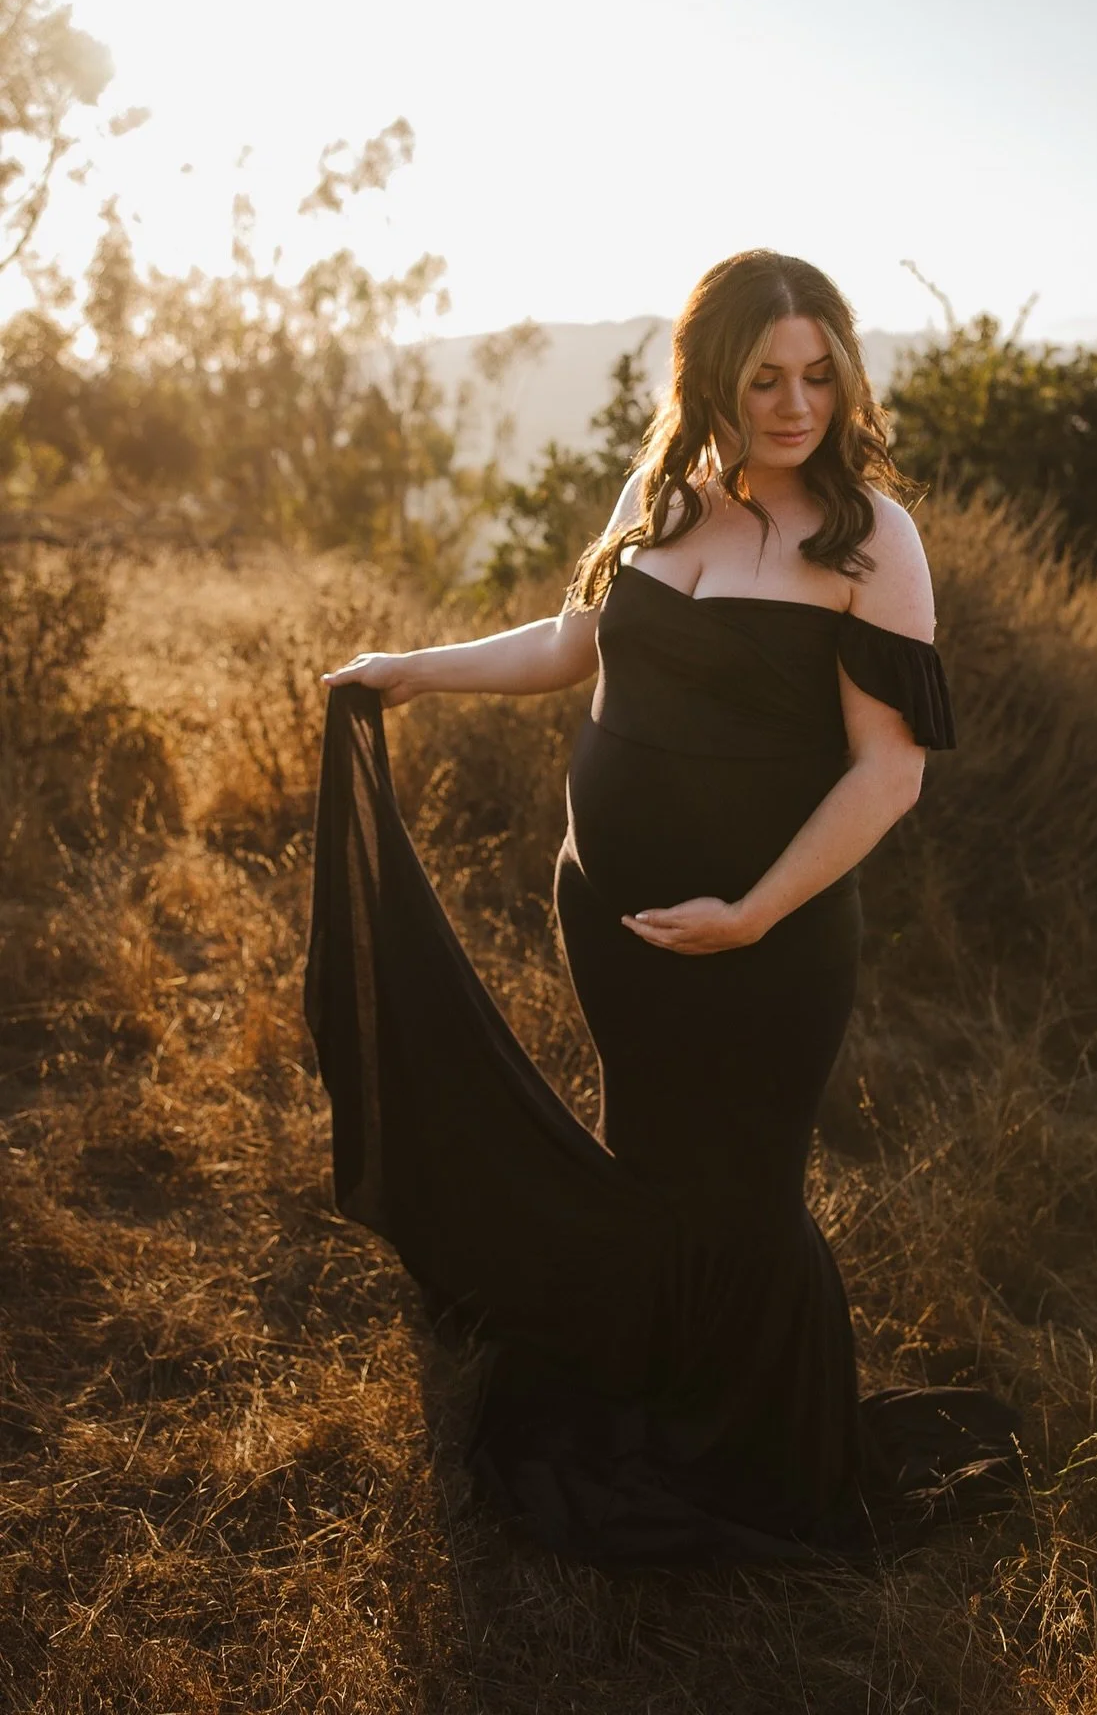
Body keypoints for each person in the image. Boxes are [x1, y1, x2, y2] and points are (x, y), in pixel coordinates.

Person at [307, 249, 1021, 1566]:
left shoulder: (872, 536)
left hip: (772, 937)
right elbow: (575, 644)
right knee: (645, 1169)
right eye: (766, 378)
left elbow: (889, 772)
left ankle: (759, 1456)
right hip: (615, 924)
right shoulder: (664, 491)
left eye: (819, 375)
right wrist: (413, 670)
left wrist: (753, 914)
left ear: (846, 376)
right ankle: (653, 1402)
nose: (797, 404)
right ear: (714, 379)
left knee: (742, 1188)